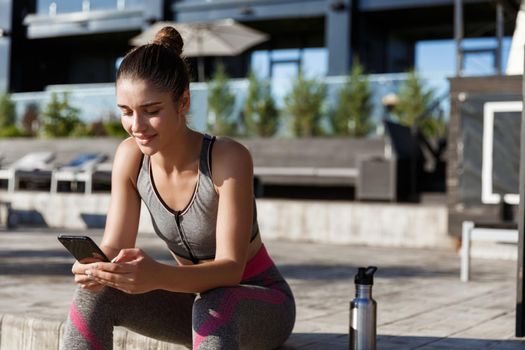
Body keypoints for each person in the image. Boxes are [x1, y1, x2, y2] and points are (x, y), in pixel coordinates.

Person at [62, 26, 295, 350]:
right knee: (94, 296)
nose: (137, 127)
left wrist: (157, 275)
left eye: (152, 111)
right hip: (194, 303)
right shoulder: (130, 157)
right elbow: (114, 243)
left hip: (260, 304)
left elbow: (231, 269)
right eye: (126, 112)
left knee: (216, 305)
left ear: (183, 101)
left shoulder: (227, 158)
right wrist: (96, 268)